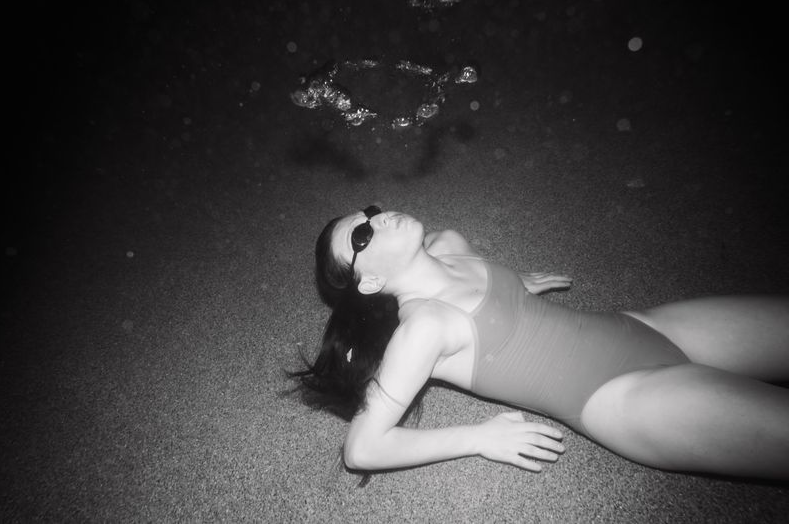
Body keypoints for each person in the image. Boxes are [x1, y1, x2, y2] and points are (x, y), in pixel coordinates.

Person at [291, 206, 789, 480]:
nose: (375, 219)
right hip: (626, 400)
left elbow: (487, 288)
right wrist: (479, 439)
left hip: (646, 327)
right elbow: (361, 449)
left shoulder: (449, 244)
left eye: (369, 212)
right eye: (361, 238)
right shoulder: (424, 328)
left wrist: (516, 284)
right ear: (371, 283)